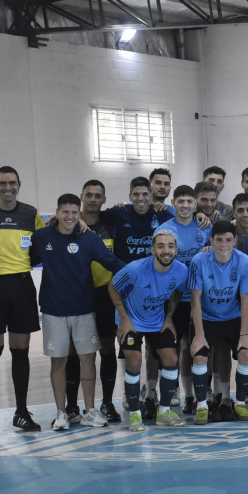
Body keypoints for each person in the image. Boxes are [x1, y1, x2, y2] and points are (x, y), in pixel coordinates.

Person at [31, 194, 125, 430]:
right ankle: (61, 413)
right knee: (58, 362)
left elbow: (111, 262)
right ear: (57, 213)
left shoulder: (89, 238)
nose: (70, 216)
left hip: (84, 310)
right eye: (65, 212)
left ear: (79, 214)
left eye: (74, 212)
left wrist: (140, 272)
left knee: (88, 359)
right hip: (53, 311)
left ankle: (90, 411)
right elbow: (25, 257)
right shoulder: (42, 236)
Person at [0, 166, 45, 433]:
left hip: (22, 285)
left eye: (12, 183)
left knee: (21, 350)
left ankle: (21, 412)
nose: (8, 187)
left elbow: (44, 242)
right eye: (2, 183)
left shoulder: (31, 213)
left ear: (19, 184)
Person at [102, 177, 174, 418]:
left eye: (145, 194)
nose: (141, 199)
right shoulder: (118, 213)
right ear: (130, 195)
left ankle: (151, 391)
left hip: (155, 289)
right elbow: (92, 217)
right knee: (127, 343)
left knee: (155, 346)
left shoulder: (162, 214)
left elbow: (184, 220)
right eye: (137, 194)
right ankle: (129, 391)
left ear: (151, 195)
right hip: (127, 289)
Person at [109, 230, 189, 431]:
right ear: (152, 250)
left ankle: (164, 412)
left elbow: (178, 292)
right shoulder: (135, 269)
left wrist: (169, 317)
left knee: (171, 359)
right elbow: (113, 287)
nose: (166, 250)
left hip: (156, 321)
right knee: (134, 361)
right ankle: (135, 415)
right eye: (160, 246)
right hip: (131, 321)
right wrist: (124, 319)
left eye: (170, 246)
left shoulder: (181, 271)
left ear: (176, 250)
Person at [189, 220, 248, 423]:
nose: (224, 244)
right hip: (206, 318)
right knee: (199, 357)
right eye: (219, 240)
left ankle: (239, 403)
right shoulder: (199, 261)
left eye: (228, 240)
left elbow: (246, 299)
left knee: (246, 353)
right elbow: (195, 299)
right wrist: (199, 334)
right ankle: (201, 406)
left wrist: (244, 334)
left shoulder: (244, 262)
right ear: (211, 241)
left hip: (232, 317)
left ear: (235, 241)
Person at [155, 186, 211, 414]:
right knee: (171, 347)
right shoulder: (164, 230)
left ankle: (193, 396)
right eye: (181, 201)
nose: (185, 206)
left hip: (199, 298)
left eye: (189, 201)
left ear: (195, 203)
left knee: (193, 347)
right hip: (172, 298)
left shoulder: (205, 227)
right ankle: (170, 392)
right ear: (173, 203)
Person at [75, 180, 121, 422]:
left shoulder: (111, 224)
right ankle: (71, 406)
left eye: (97, 195)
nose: (93, 199)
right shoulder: (70, 223)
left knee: (107, 349)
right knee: (76, 353)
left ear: (104, 199)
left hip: (105, 295)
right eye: (89, 195)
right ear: (81, 197)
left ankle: (107, 403)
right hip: (78, 295)